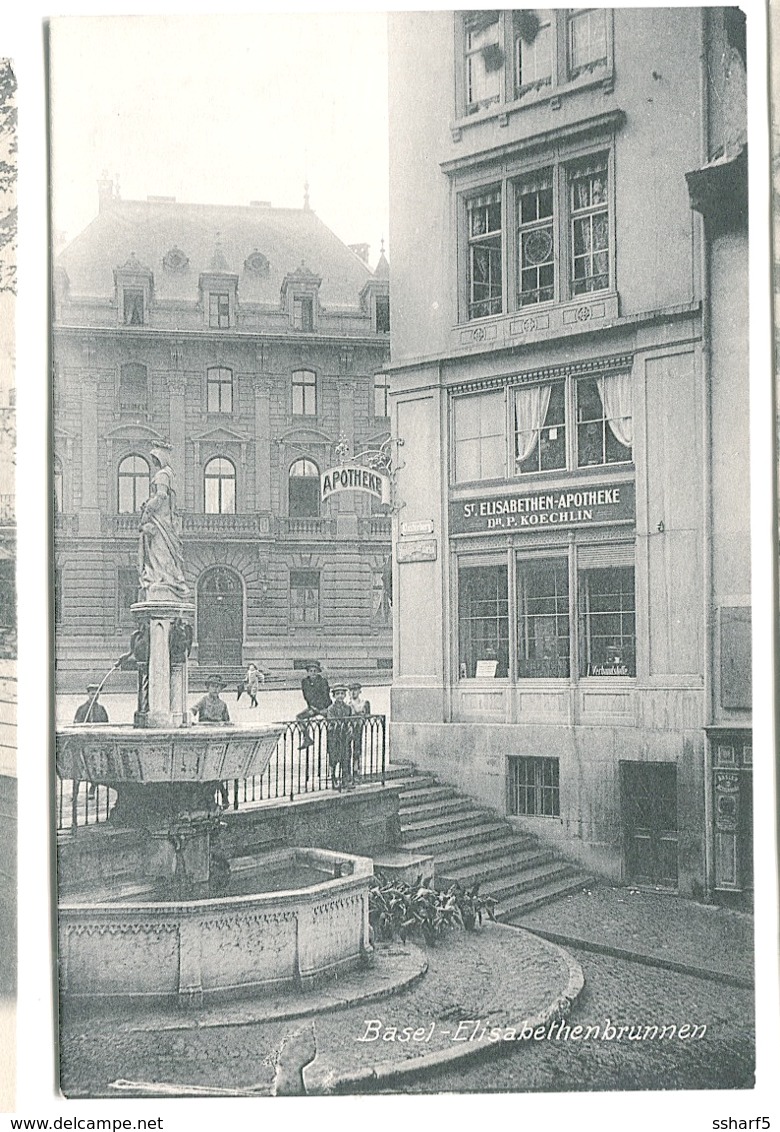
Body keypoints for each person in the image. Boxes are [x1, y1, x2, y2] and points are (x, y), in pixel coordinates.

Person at [138, 442, 189, 601]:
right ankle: (168, 580)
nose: (154, 462)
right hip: (167, 521)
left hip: (160, 522)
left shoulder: (162, 475)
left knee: (160, 552)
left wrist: (147, 509)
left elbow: (161, 496)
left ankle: (164, 580)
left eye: (155, 459)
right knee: (164, 553)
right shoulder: (170, 474)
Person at [74, 683, 108, 798]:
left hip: (96, 743)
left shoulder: (101, 709)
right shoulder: (82, 709)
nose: (95, 696)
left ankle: (92, 790)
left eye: (97, 693)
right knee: (79, 769)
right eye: (92, 693)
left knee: (95, 768)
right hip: (83, 743)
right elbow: (76, 725)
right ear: (88, 694)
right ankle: (75, 793)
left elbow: (106, 725)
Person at [296, 661, 331, 750]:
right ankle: (307, 737)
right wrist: (312, 707)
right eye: (311, 671)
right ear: (308, 672)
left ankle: (332, 742)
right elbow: (306, 696)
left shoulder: (323, 681)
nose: (313, 673)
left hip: (325, 707)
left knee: (332, 721)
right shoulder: (305, 682)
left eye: (315, 671)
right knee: (299, 717)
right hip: (313, 707)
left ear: (318, 671)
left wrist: (321, 709)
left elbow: (325, 696)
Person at [326, 684, 354, 790]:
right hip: (334, 737)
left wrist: (350, 727)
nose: (340, 696)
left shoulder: (347, 708)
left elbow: (351, 719)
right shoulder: (331, 709)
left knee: (345, 758)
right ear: (334, 696)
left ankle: (345, 780)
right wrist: (337, 724)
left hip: (345, 737)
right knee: (334, 758)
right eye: (338, 694)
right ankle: (334, 779)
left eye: (342, 694)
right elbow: (331, 721)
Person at [347, 681, 371, 781]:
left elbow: (367, 715)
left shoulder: (364, 703)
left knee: (357, 749)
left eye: (355, 690)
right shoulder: (347, 704)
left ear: (359, 691)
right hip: (348, 728)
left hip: (358, 728)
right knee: (347, 750)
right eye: (351, 690)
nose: (353, 693)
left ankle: (356, 769)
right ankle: (347, 771)